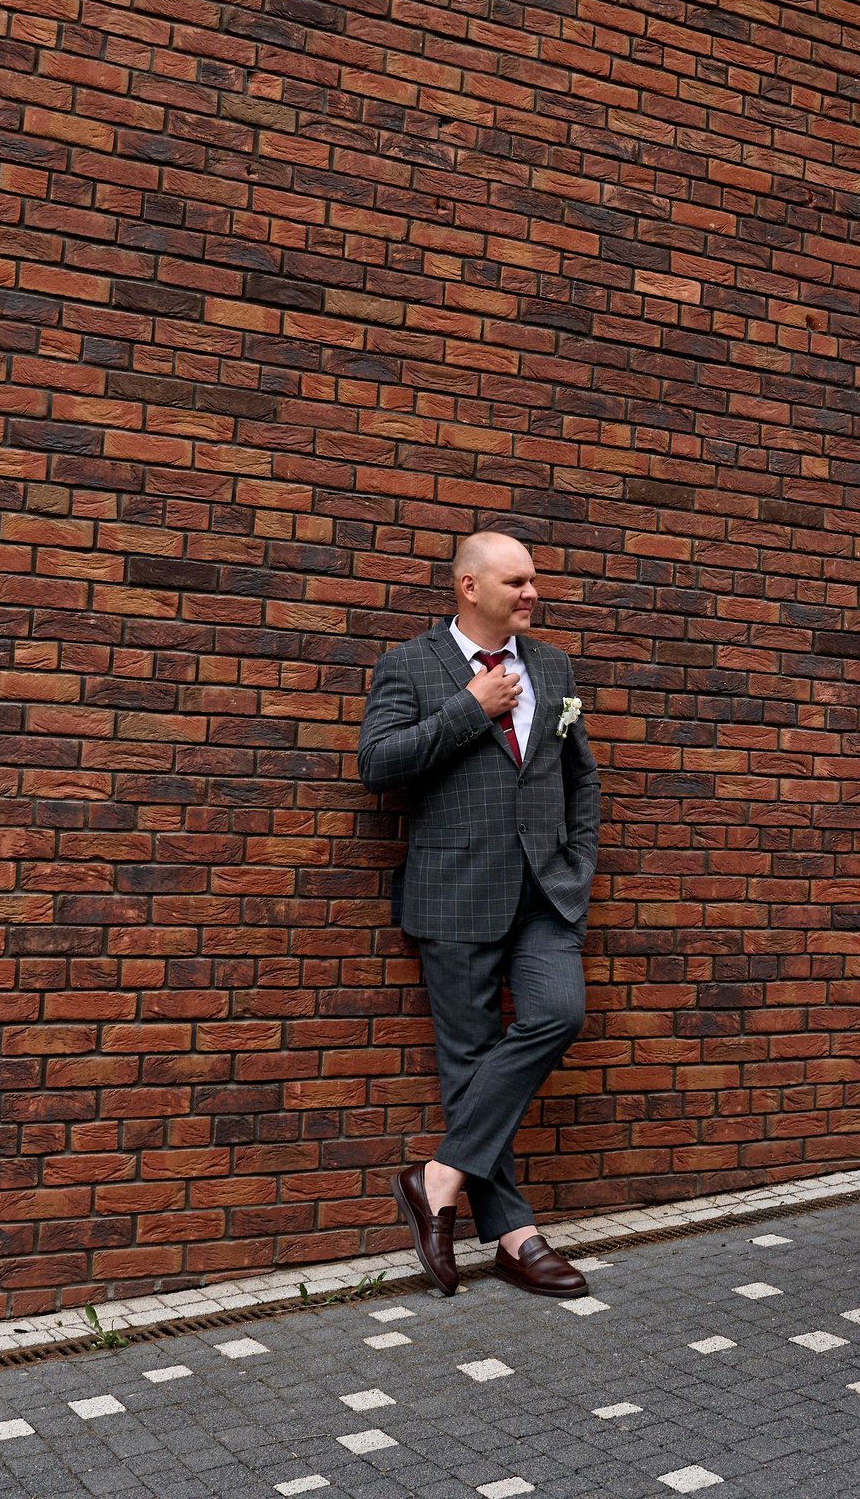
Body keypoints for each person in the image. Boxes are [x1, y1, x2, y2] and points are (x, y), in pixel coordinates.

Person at [357, 531, 602, 1298]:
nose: (532, 593)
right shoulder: (410, 665)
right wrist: (470, 707)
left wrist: (577, 865)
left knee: (558, 1013)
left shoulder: (553, 665)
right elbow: (378, 765)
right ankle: (517, 1236)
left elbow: (579, 777)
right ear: (469, 586)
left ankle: (437, 1176)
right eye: (516, 581)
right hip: (455, 892)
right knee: (467, 1064)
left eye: (534, 580)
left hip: (545, 896)